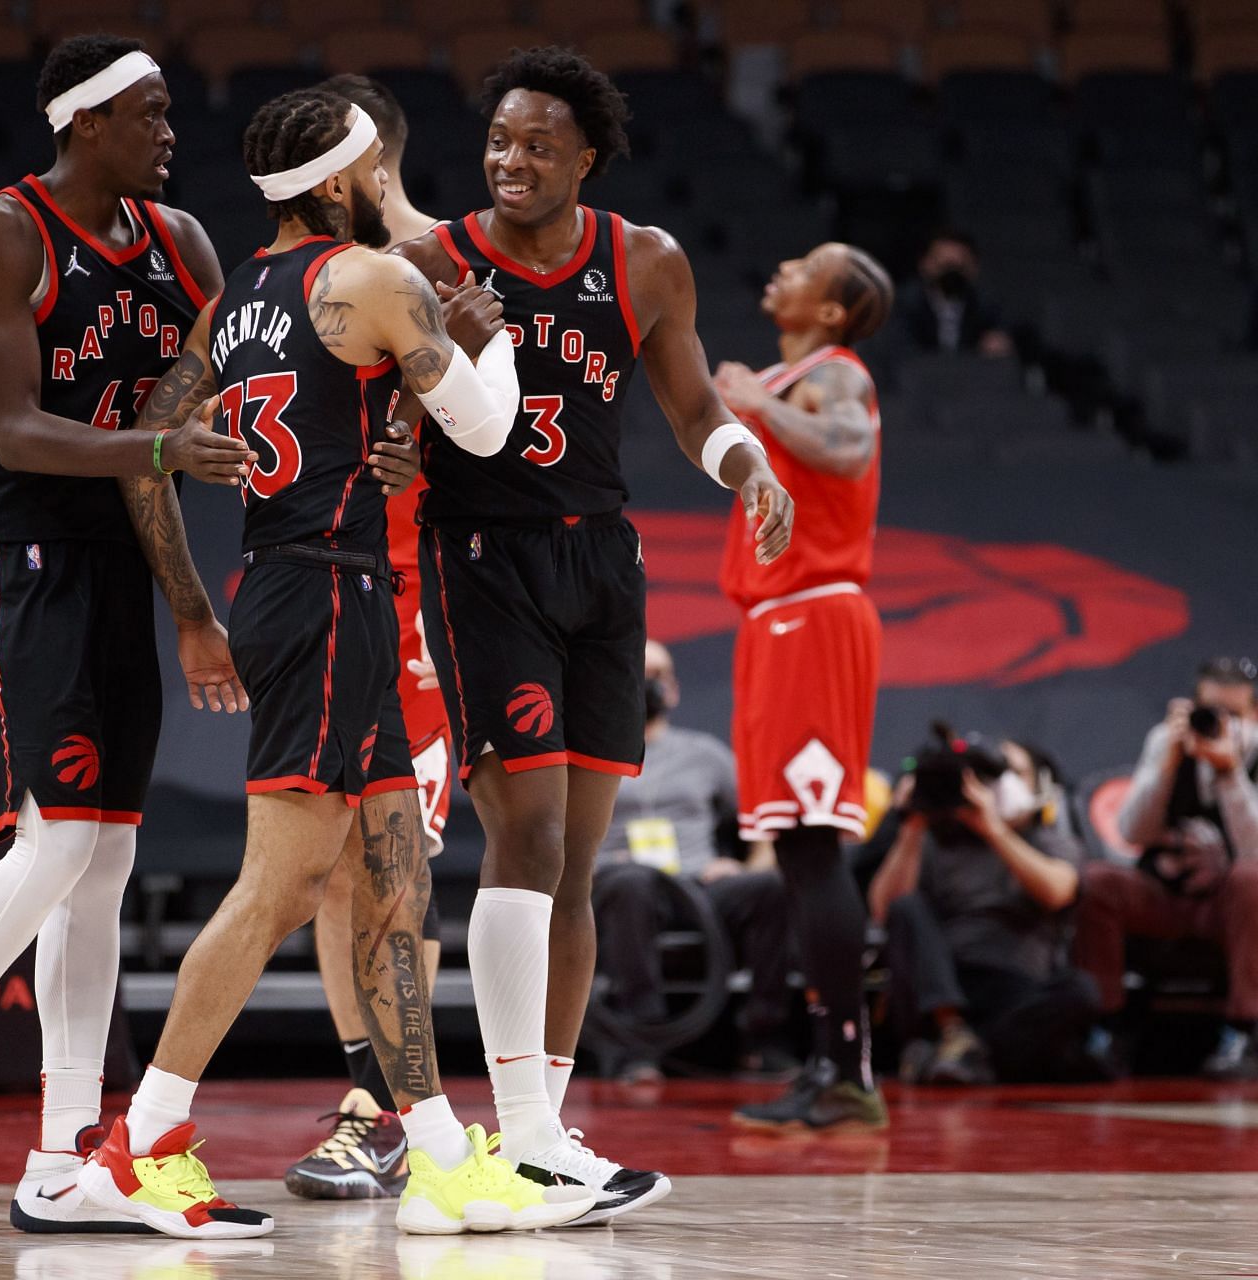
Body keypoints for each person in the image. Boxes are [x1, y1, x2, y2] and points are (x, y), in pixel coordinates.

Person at [83, 87, 601, 1239]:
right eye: (377, 167)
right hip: (327, 588)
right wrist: (482, 338)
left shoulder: (236, 301)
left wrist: (194, 611)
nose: (387, 184)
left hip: (303, 584)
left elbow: (147, 453)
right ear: (337, 181)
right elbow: (485, 427)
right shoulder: (371, 279)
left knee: (395, 875)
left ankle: (431, 1151)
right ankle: (141, 1139)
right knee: (281, 885)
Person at [0, 37, 255, 1231]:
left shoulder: (183, 246)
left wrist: (190, 606)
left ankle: (66, 1152)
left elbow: (179, 437)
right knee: (61, 839)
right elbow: (18, 431)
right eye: (152, 113)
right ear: (84, 123)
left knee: (107, 865)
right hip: (17, 557)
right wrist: (163, 451)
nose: (172, 132)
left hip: (123, 557)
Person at [391, 46, 792, 1211]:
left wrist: (745, 463)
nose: (512, 161)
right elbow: (392, 405)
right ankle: (514, 1132)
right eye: (500, 141)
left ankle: (548, 1125)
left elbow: (692, 402)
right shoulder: (434, 259)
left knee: (575, 855)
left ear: (588, 159)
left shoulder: (646, 262)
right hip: (479, 557)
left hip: (601, 561)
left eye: (538, 146)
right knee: (522, 837)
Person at [284, 71, 456, 1203]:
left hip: (417, 593)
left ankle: (394, 1106)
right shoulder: (306, 281)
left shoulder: (425, 264)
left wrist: (392, 205)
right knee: (331, 867)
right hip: (325, 584)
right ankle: (377, 1095)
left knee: (397, 865)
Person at [711, 241, 894, 1132]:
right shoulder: (797, 378)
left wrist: (753, 405)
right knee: (792, 848)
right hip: (775, 624)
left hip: (815, 614)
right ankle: (833, 1062)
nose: (780, 264)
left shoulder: (837, 373)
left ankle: (847, 1068)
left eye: (809, 265)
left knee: (815, 844)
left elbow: (853, 453)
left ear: (831, 310)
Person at [591, 640, 793, 1079]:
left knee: (772, 887)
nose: (645, 685)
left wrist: (747, 866)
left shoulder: (705, 754)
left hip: (700, 886)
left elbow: (763, 822)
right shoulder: (589, 752)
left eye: (656, 676)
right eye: (635, 673)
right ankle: (639, 1045)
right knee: (630, 883)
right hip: (621, 886)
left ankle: (765, 1037)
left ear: (673, 689)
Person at [865, 738, 1100, 1084]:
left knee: (1081, 991)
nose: (986, 788)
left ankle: (962, 1056)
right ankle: (952, 1035)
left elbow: (1058, 892)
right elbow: (885, 910)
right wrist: (913, 824)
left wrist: (995, 830)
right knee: (907, 906)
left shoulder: (1049, 840)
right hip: (943, 984)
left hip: (1014, 992)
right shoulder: (935, 842)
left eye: (1010, 773)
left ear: (1037, 785)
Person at [1074, 656, 1258, 1080]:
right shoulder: (1166, 742)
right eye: (1211, 713)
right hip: (1165, 898)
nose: (1219, 725)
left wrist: (1230, 774)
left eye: (1233, 716)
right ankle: (1106, 1024)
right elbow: (1132, 831)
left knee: (1252, 880)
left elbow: (1252, 852)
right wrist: (1166, 766)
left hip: (1229, 904)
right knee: (1098, 881)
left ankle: (1242, 1031)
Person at [893, 229, 1011, 357]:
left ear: (974, 268)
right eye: (943, 265)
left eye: (959, 267)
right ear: (924, 264)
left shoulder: (988, 309)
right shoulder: (901, 307)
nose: (950, 275)